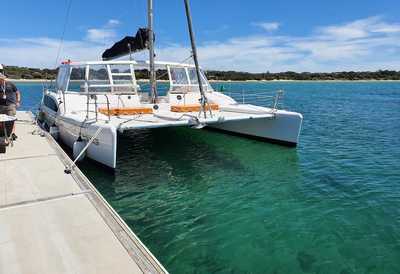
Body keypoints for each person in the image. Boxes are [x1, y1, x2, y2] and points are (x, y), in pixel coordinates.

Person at [0, 64, 21, 140]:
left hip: (11, 105)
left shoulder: (10, 84)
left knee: (12, 119)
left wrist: (18, 101)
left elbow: (17, 92)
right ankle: (3, 133)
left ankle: (12, 134)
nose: (1, 80)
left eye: (1, 78)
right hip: (1, 105)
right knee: (2, 120)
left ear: (4, 78)